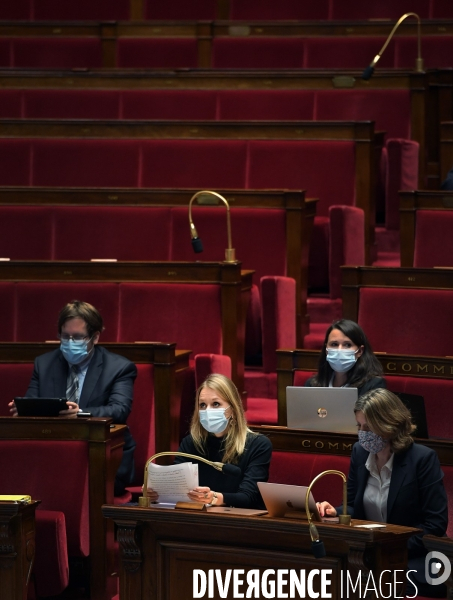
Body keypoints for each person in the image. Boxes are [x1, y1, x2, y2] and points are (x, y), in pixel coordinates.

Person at [316, 388, 448, 598]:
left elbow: (435, 525)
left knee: (376, 581)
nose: (362, 434)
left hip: (415, 555)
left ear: (389, 425)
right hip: (370, 553)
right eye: (359, 426)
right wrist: (335, 510)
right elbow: (353, 505)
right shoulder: (360, 453)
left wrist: (387, 547)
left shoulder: (422, 459)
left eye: (369, 427)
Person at [8, 300, 137, 496]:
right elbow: (33, 402)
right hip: (52, 458)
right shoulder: (44, 364)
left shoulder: (119, 368)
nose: (69, 343)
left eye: (77, 337)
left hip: (101, 459)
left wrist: (80, 414)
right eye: (65, 336)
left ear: (95, 337)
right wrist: (24, 410)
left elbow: (119, 409)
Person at [146, 373, 272, 509]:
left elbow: (248, 497)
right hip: (197, 519)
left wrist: (214, 497)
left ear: (233, 410)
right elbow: (177, 488)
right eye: (202, 405)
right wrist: (156, 492)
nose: (208, 411)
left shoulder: (258, 445)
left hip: (238, 521)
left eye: (216, 404)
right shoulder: (191, 443)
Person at [305, 319, 386, 395]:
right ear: (326, 350)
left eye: (347, 345)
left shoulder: (373, 386)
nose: (340, 350)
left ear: (360, 351)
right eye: (334, 344)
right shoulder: (312, 384)